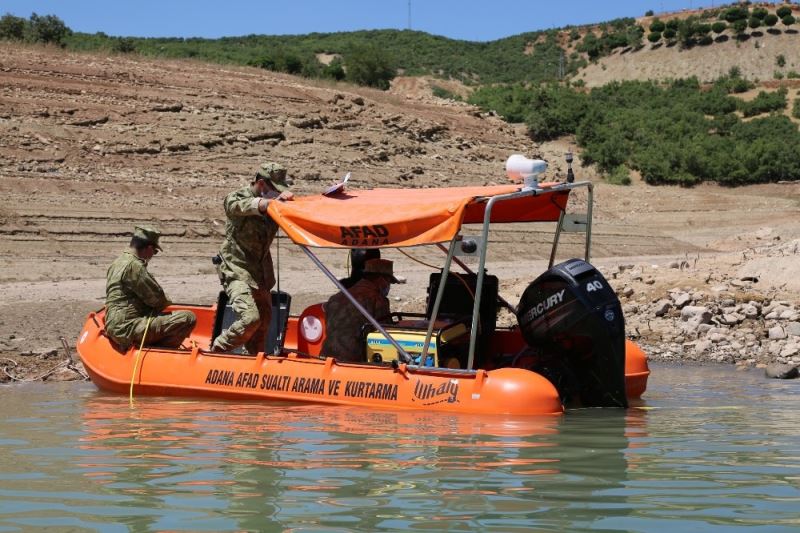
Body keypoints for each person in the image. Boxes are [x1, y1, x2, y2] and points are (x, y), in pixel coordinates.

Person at [211, 162, 294, 354]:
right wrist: (271, 203)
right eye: (275, 189)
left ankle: (253, 364)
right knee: (250, 319)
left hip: (259, 274)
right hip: (236, 269)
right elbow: (239, 206)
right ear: (262, 184)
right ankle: (217, 352)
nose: (277, 194)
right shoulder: (237, 197)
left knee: (263, 324)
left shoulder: (274, 205)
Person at [105, 226, 196, 351]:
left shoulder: (118, 262)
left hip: (114, 325)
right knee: (188, 318)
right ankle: (161, 353)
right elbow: (158, 300)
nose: (153, 255)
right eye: (155, 251)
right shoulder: (135, 266)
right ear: (149, 248)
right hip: (127, 328)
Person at [321, 258, 399, 362]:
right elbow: (385, 334)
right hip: (354, 362)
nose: (389, 286)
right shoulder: (377, 300)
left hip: (326, 357)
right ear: (381, 279)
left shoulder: (336, 297)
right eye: (389, 282)